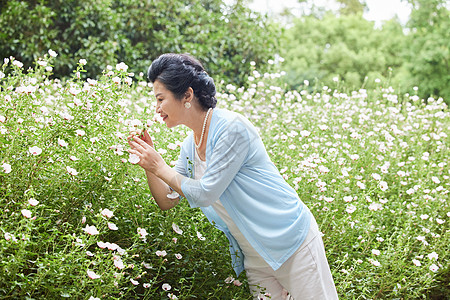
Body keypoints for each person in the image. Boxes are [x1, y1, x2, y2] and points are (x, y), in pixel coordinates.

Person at [127, 53, 338, 300]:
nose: (157, 108)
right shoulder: (190, 145)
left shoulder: (231, 128)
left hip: (291, 241)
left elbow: (205, 193)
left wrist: (160, 166)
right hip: (256, 255)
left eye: (160, 99)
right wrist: (149, 164)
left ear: (187, 95)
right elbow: (166, 200)